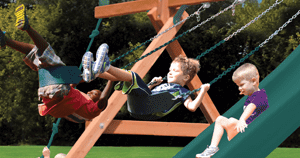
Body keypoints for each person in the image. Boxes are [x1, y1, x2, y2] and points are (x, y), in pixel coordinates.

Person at [0, 5, 111, 121]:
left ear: (97, 100)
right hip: (48, 93)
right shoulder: (79, 99)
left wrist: (112, 80)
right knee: (35, 53)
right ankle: (5, 40)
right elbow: (75, 82)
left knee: (47, 51)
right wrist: (87, 77)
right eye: (91, 91)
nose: (90, 92)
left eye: (94, 93)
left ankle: (27, 27)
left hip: (59, 92)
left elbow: (103, 100)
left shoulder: (93, 110)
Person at [82, 45, 210, 120]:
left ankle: (105, 67)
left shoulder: (183, 92)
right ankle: (95, 73)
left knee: (133, 77)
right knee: (126, 77)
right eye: (170, 69)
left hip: (148, 110)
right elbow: (145, 93)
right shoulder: (164, 85)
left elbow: (192, 107)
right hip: (138, 106)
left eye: (175, 71)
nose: (170, 72)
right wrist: (152, 84)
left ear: (186, 78)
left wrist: (202, 92)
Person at [196, 63, 267, 158]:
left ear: (254, 81)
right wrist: (245, 90)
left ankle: (214, 148)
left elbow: (251, 106)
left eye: (241, 85)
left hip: (252, 135)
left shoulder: (260, 96)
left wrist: (242, 119)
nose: (239, 88)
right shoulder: (252, 96)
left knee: (229, 120)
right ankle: (212, 148)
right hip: (244, 132)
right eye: (238, 86)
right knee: (221, 119)